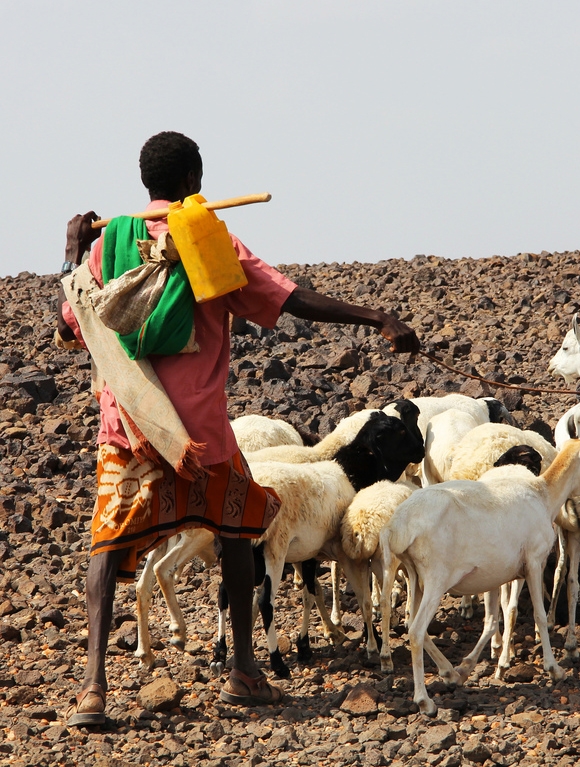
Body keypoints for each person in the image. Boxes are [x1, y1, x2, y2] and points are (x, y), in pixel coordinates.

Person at [57, 131, 419, 727]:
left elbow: (72, 324)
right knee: (237, 528)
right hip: (200, 431)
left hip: (131, 425)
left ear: (147, 183)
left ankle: (93, 689)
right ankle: (245, 672)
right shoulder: (209, 239)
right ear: (194, 182)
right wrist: (376, 316)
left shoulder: (107, 246)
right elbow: (290, 298)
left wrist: (72, 248)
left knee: (106, 541)